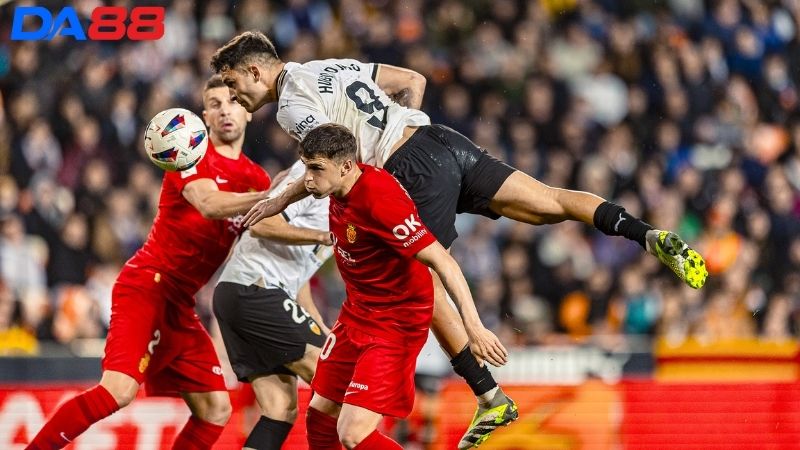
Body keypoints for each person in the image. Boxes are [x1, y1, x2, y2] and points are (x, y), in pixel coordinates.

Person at [210, 31, 709, 448]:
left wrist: (288, 195)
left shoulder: (291, 106)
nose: (235, 97)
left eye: (232, 84)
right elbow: (413, 81)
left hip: (408, 171)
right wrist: (405, 131)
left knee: (421, 279)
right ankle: (645, 233)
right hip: (441, 141)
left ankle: (488, 394)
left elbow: (331, 154)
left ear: (255, 71)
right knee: (548, 202)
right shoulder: (328, 67)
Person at [26, 75, 272, 450]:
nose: (225, 110)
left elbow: (269, 228)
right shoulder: (188, 152)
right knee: (118, 391)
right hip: (148, 285)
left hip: (180, 303)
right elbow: (209, 203)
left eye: (233, 102)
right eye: (215, 104)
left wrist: (318, 229)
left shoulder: (256, 177)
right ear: (204, 116)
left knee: (215, 409)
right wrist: (272, 195)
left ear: (249, 110)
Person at [299, 123, 507, 450]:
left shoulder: (379, 200)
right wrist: (276, 202)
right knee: (320, 414)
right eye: (305, 167)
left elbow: (443, 262)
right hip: (356, 313)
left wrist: (474, 326)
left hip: (394, 323)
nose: (308, 179)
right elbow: (309, 181)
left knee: (352, 433)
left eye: (316, 169)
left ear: (347, 166)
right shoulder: (338, 184)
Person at [212, 159, 333, 450]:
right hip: (255, 289)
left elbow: (298, 277)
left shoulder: (339, 194)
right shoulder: (310, 176)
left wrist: (320, 326)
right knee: (334, 378)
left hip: (242, 293)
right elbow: (261, 222)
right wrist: (323, 237)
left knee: (280, 408)